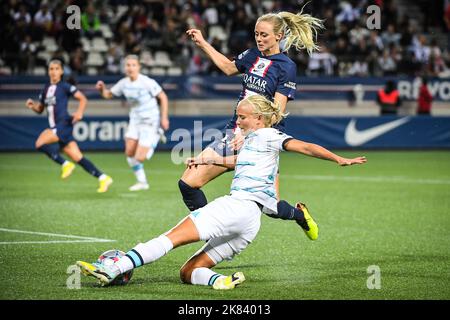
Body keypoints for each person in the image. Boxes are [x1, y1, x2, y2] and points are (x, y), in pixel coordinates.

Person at [76, 94, 367, 290]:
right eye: (237, 117)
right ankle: (220, 282)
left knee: (168, 239)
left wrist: (339, 158)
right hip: (249, 225)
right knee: (188, 272)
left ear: (260, 119)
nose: (237, 122)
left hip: (235, 208)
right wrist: (206, 159)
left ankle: (115, 267)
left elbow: (304, 147)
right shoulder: (255, 141)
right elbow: (239, 161)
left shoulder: (270, 135)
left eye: (242, 118)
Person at [180, 10, 324, 220]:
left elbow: (276, 112)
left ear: (279, 36)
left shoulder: (287, 67)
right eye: (256, 34)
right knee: (188, 183)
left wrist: (250, 134)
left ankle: (300, 216)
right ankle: (211, 230)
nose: (259, 38)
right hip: (234, 134)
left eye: (264, 35)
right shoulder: (251, 55)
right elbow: (229, 68)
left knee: (271, 207)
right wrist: (202, 42)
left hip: (262, 141)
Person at [25, 59, 113, 193]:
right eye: (51, 69)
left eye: (56, 69)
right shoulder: (45, 90)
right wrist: (32, 106)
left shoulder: (65, 86)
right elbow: (40, 109)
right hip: (58, 127)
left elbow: (83, 98)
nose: (53, 72)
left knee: (39, 143)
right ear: (48, 71)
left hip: (63, 124)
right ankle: (103, 178)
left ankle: (65, 164)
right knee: (78, 157)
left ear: (61, 71)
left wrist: (79, 112)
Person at [95, 55, 169, 191]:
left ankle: (157, 135)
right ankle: (142, 182)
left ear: (138, 67)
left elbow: (163, 97)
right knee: (129, 152)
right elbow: (108, 94)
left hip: (150, 120)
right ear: (124, 67)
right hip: (135, 120)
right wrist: (101, 89)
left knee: (140, 157)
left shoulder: (147, 82)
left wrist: (164, 118)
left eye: (133, 65)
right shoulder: (123, 83)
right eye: (128, 65)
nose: (130, 68)